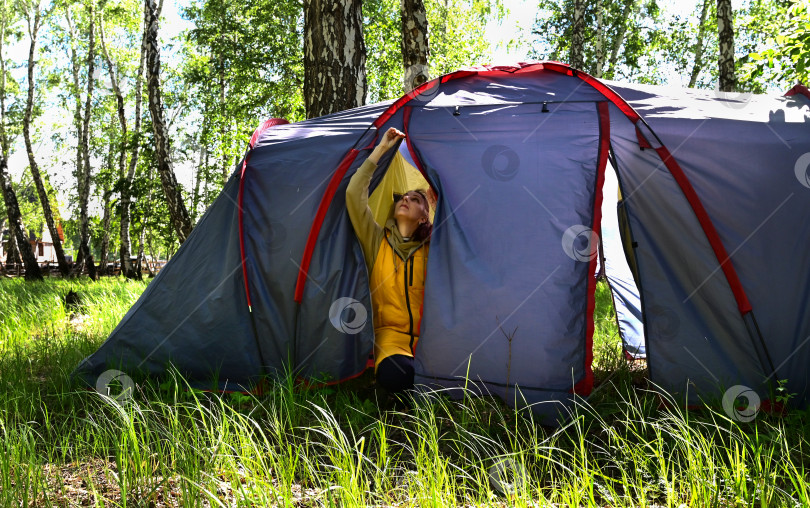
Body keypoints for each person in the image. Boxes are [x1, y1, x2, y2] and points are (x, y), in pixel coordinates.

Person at [346, 127, 432, 394]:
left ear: (424, 218)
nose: (405, 198)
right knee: (399, 377)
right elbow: (354, 195)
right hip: (391, 339)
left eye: (416, 199)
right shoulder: (376, 240)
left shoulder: (435, 248)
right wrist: (381, 149)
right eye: (403, 197)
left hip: (433, 338)